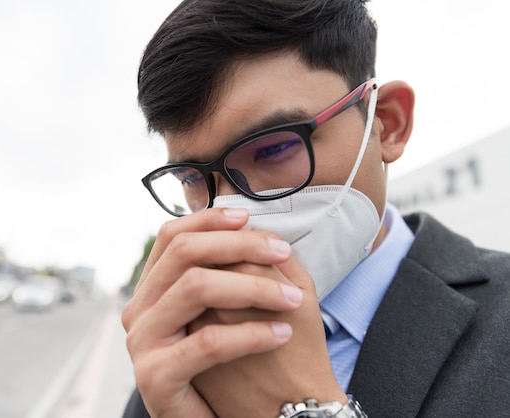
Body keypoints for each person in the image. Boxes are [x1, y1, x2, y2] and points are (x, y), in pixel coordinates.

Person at [121, 1, 510, 417]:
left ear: (387, 123)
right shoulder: (181, 353)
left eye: (274, 148)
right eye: (191, 179)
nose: (234, 209)